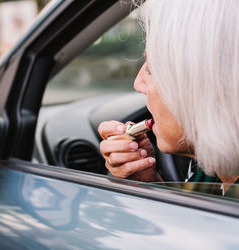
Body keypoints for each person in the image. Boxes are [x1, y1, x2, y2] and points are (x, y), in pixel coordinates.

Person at [98, 0, 239, 194]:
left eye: (152, 69)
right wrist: (146, 182)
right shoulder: (212, 169)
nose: (138, 84)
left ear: (205, 84)